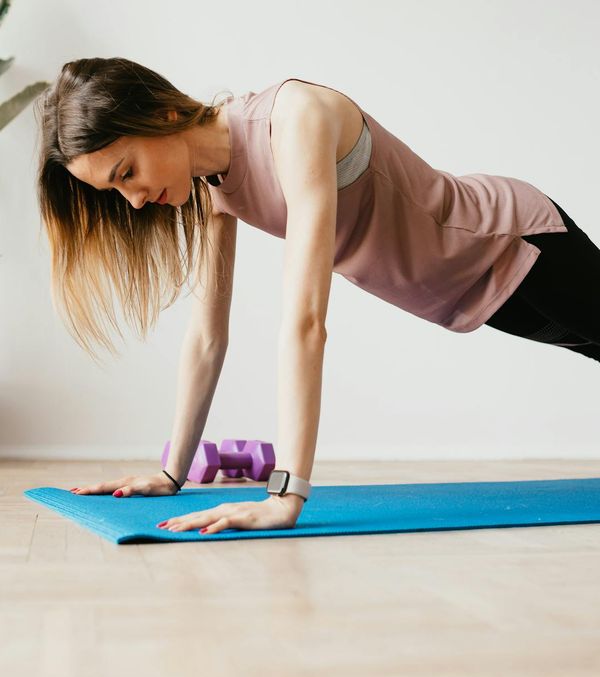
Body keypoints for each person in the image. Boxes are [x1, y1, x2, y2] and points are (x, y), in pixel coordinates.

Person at [35, 57, 600, 536]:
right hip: (472, 293)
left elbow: (306, 320)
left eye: (126, 172)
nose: (132, 200)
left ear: (163, 113)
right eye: (116, 189)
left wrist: (287, 493)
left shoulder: (293, 119)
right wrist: (171, 473)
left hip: (512, 242)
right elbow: (208, 336)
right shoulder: (211, 190)